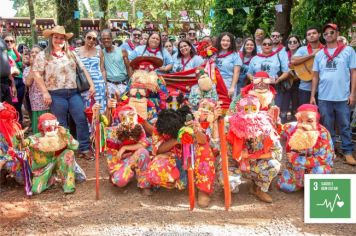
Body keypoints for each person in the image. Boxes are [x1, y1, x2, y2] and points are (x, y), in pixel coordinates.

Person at [32, 25, 95, 160]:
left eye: (62, 38)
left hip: (73, 93)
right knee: (61, 124)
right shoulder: (43, 55)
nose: (59, 40)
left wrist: (92, 85)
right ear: (51, 38)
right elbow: (36, 74)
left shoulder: (71, 53)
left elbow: (82, 69)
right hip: (55, 94)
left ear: (65, 40)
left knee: (81, 119)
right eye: (56, 37)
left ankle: (84, 148)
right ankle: (65, 151)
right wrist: (45, 93)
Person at [146, 105, 216, 207]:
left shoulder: (189, 121)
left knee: (204, 150)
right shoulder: (160, 125)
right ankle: (179, 181)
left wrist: (195, 131)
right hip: (173, 158)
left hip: (192, 156)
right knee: (155, 171)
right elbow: (158, 149)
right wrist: (176, 140)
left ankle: (203, 190)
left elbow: (204, 140)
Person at [310, 23, 356, 166]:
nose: (328, 35)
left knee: (345, 125)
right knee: (327, 126)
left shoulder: (348, 51)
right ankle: (330, 151)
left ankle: (348, 152)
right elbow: (315, 76)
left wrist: (353, 93)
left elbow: (353, 72)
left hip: (343, 97)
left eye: (331, 32)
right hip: (324, 97)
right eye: (326, 34)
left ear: (337, 33)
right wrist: (312, 95)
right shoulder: (320, 54)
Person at [226, 96, 282, 203]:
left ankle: (258, 188)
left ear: (258, 109)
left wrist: (252, 156)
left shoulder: (266, 126)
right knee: (228, 184)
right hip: (236, 164)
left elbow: (277, 152)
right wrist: (238, 154)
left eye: (253, 109)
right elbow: (224, 153)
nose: (250, 113)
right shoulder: (231, 125)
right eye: (246, 109)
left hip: (257, 165)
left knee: (274, 165)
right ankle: (229, 190)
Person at [15, 113, 86, 194]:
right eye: (47, 124)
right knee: (36, 190)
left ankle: (68, 185)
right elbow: (23, 144)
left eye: (54, 124)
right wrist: (19, 138)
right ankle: (51, 178)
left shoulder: (62, 134)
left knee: (69, 153)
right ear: (41, 127)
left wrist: (67, 135)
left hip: (61, 162)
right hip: (44, 168)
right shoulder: (36, 138)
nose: (51, 127)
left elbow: (75, 146)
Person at [277, 104, 335, 192]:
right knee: (286, 187)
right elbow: (276, 130)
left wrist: (298, 159)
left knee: (318, 174)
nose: (304, 124)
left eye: (309, 121)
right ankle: (300, 182)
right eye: (300, 120)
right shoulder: (292, 127)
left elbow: (325, 158)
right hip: (297, 167)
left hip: (316, 167)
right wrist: (274, 119)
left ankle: (314, 183)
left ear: (316, 121)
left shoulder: (323, 134)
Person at [104, 105, 152, 195]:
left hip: (136, 157)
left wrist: (124, 148)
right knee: (119, 181)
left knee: (143, 152)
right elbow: (112, 157)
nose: (129, 120)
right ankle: (128, 175)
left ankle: (144, 184)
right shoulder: (113, 132)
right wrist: (115, 169)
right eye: (125, 117)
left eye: (132, 116)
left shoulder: (139, 128)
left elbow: (144, 144)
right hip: (122, 161)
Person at [247, 37, 289, 118]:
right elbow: (249, 73)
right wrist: (254, 79)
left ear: (272, 46)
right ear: (261, 46)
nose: (267, 46)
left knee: (274, 111)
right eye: (264, 44)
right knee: (257, 111)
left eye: (269, 44)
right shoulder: (255, 58)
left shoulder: (278, 57)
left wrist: (278, 79)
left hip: (274, 88)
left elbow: (286, 72)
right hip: (258, 89)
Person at [75, 30, 107, 114]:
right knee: (86, 110)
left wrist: (105, 85)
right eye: (89, 38)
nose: (91, 40)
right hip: (83, 84)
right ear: (84, 38)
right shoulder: (76, 51)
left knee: (99, 109)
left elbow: (102, 69)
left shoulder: (99, 51)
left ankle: (99, 127)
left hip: (98, 85)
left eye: (94, 39)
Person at [291, 26, 324, 105]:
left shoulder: (325, 49)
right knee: (304, 114)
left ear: (319, 34)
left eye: (314, 33)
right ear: (306, 37)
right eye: (309, 34)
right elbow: (293, 61)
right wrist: (312, 55)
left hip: (322, 89)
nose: (311, 35)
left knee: (321, 115)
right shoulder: (302, 49)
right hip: (305, 88)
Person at [23, 45, 50, 133]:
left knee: (49, 124)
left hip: (49, 101)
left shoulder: (47, 66)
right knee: (38, 127)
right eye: (32, 53)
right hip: (35, 104)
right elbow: (28, 82)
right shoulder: (27, 70)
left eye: (37, 52)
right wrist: (34, 65)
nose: (34, 54)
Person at [101, 29, 131, 97]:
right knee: (112, 106)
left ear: (112, 39)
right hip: (110, 85)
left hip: (123, 85)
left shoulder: (122, 51)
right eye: (104, 39)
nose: (106, 40)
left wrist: (131, 84)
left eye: (108, 38)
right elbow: (102, 70)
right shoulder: (101, 53)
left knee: (124, 104)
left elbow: (128, 67)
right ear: (101, 40)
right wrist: (105, 86)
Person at [280, 35, 302, 122]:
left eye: (295, 42)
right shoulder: (283, 55)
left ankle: (296, 126)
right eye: (290, 42)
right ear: (287, 44)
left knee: (296, 107)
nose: (292, 44)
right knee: (284, 106)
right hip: (285, 83)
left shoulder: (302, 54)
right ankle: (282, 126)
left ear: (298, 44)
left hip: (298, 83)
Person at [4, 34, 25, 124]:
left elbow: (22, 67)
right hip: (10, 81)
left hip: (20, 81)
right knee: (10, 105)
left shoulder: (17, 54)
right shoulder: (3, 53)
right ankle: (12, 125)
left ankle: (19, 124)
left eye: (11, 41)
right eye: (7, 41)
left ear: (14, 43)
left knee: (18, 104)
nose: (9, 43)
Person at [215, 32, 242, 98]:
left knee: (228, 106)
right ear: (219, 41)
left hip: (228, 83)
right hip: (214, 83)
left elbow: (236, 72)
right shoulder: (214, 53)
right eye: (223, 40)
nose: (225, 43)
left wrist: (232, 87)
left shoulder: (235, 55)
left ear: (231, 43)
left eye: (228, 41)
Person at [0, 38, 15, 104]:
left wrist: (13, 85)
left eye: (1, 26)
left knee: (8, 108)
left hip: (6, 82)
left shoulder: (2, 41)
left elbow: (7, 64)